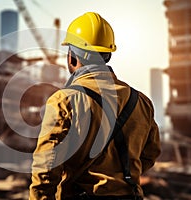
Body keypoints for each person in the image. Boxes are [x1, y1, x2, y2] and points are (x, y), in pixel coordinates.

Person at [29, 12, 161, 200]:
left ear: (72, 57)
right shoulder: (141, 101)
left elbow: (46, 167)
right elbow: (150, 154)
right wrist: (118, 174)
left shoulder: (64, 101)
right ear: (107, 55)